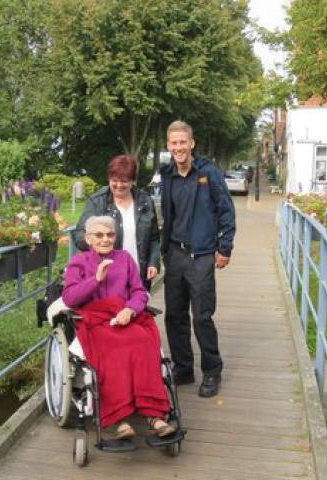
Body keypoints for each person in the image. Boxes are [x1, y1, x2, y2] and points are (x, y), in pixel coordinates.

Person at [62, 216, 176, 440]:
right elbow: (70, 298)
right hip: (96, 321)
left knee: (143, 342)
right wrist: (96, 279)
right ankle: (119, 417)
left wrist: (130, 309)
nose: (105, 239)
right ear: (88, 239)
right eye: (99, 235)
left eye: (110, 234)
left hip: (124, 317)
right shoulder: (79, 262)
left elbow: (139, 292)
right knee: (113, 350)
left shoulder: (125, 259)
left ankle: (154, 414)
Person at [159, 120, 235, 398]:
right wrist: (163, 250)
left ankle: (212, 371)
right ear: (168, 146)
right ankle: (183, 368)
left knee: (202, 316)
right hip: (174, 254)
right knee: (175, 316)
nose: (178, 147)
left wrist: (224, 248)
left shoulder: (208, 173)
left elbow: (226, 210)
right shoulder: (167, 175)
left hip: (201, 255)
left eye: (183, 142)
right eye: (174, 143)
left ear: (192, 143)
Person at [73, 154, 161, 290]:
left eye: (124, 181)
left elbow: (154, 238)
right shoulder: (97, 202)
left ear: (133, 181)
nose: (119, 185)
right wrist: (99, 244)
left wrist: (153, 262)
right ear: (109, 178)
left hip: (139, 277)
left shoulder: (145, 201)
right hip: (107, 277)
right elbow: (79, 235)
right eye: (114, 180)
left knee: (138, 303)